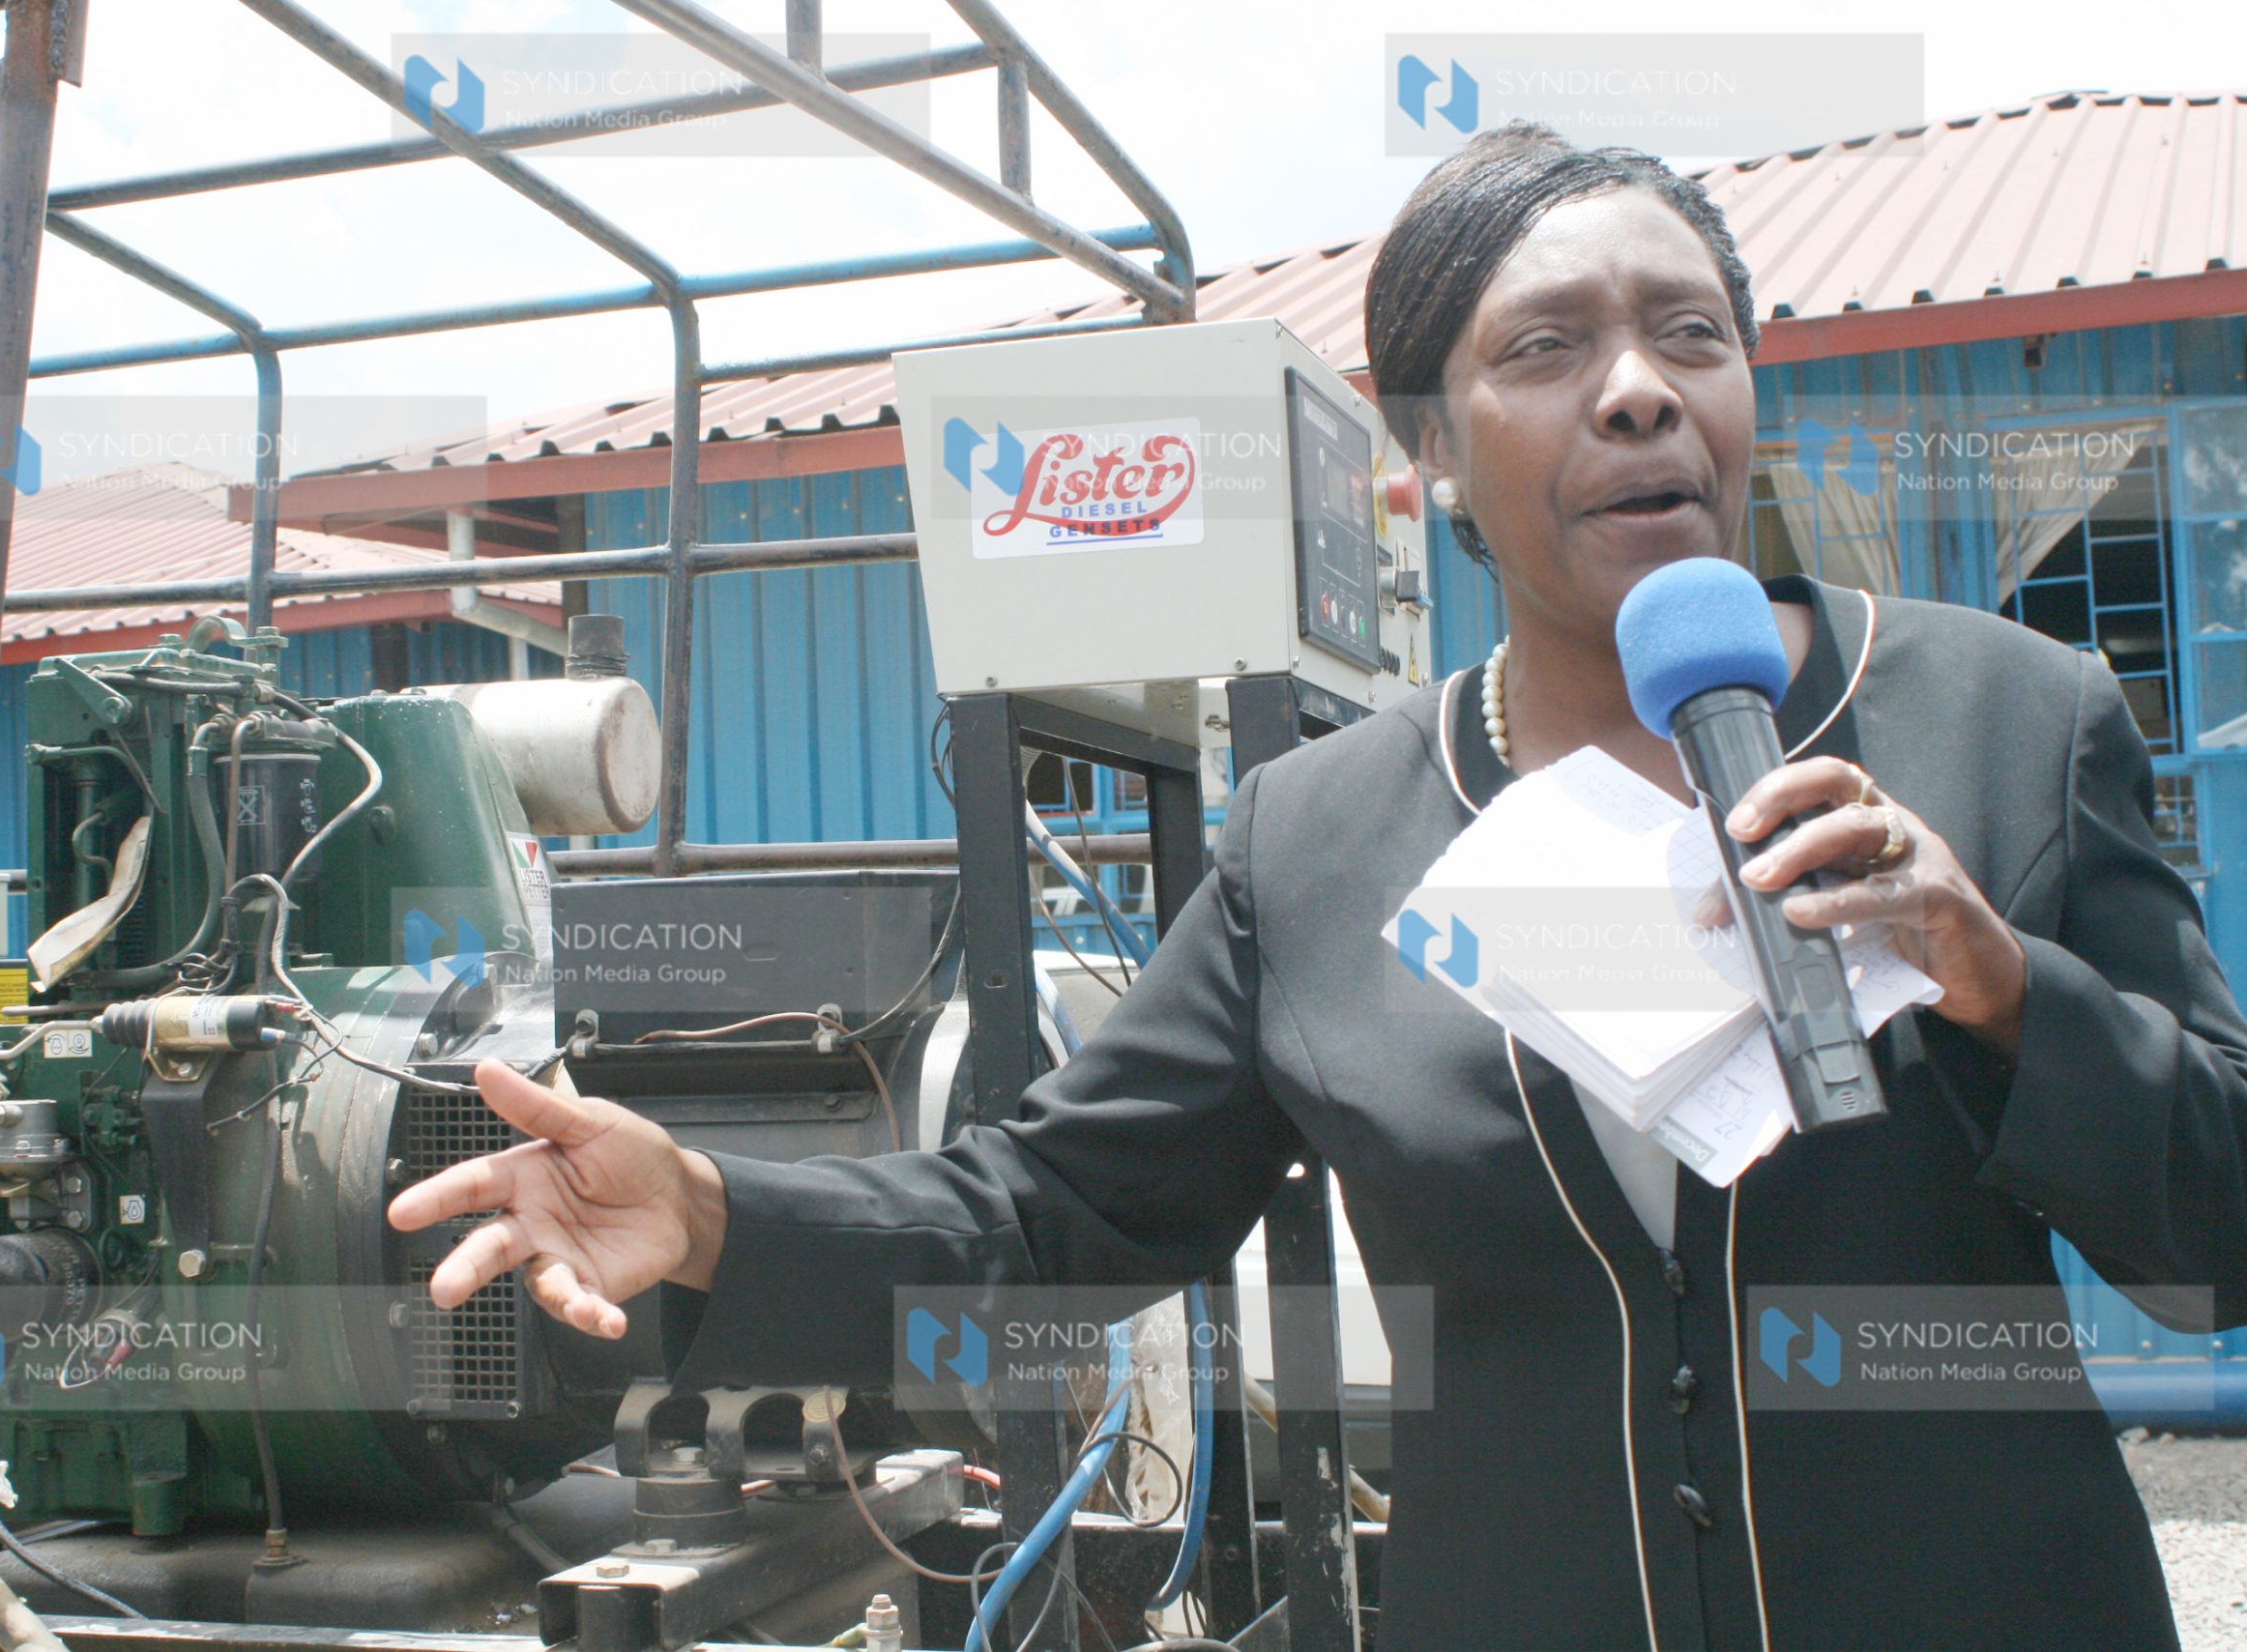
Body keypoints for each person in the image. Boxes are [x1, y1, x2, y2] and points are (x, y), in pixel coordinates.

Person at [387, 121, 2247, 1651]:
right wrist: (716, 1214)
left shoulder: (2004, 716)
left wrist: (2003, 984)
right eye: (1543, 350)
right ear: (1428, 452)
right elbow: (1047, 1217)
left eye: (1690, 335)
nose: (1635, 395)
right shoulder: (1325, 838)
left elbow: (2218, 1246)